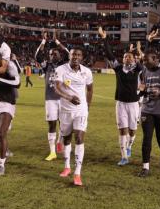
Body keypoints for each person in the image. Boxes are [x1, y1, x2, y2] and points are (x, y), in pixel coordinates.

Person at [98, 27, 143, 166]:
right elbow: (110, 54)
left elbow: (145, 59)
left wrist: (141, 48)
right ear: (123, 59)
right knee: (122, 130)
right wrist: (105, 38)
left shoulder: (137, 69)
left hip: (134, 104)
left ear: (133, 59)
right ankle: (124, 156)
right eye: (124, 56)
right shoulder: (118, 68)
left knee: (132, 130)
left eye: (129, 56)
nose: (126, 58)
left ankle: (129, 146)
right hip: (121, 104)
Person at [54, 48, 93, 186]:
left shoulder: (86, 72)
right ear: (69, 56)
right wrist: (69, 97)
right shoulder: (61, 69)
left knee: (79, 138)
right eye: (73, 55)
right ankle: (67, 167)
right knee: (67, 138)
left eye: (78, 55)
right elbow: (57, 88)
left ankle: (77, 173)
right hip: (65, 110)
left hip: (81, 110)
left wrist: (87, 105)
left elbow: (90, 89)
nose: (75, 57)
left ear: (81, 57)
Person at [35, 31, 69, 161]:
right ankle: (52, 151)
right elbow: (37, 56)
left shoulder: (64, 65)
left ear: (59, 55)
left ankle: (60, 141)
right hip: (50, 99)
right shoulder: (47, 66)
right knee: (52, 124)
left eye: (55, 53)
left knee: (64, 125)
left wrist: (57, 42)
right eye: (50, 54)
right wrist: (43, 41)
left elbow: (67, 52)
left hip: (63, 98)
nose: (52, 55)